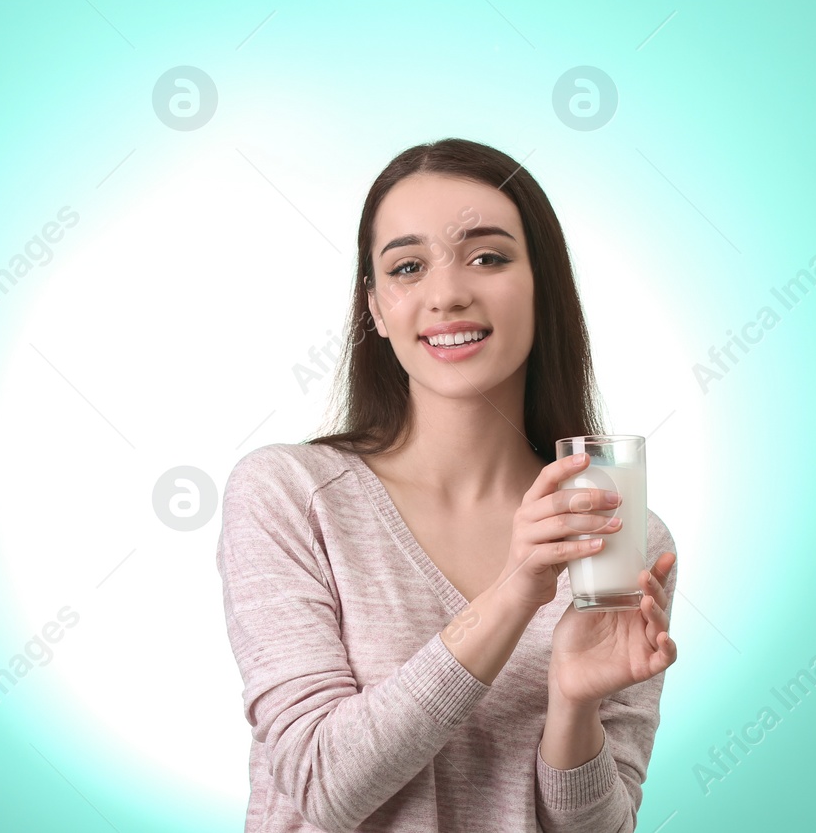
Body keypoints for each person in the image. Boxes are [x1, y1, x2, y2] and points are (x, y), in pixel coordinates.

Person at [215, 137, 679, 832]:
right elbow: (323, 784)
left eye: (488, 256)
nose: (447, 293)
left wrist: (574, 705)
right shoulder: (289, 494)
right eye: (407, 266)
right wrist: (515, 591)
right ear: (375, 309)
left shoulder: (614, 530)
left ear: (543, 284)